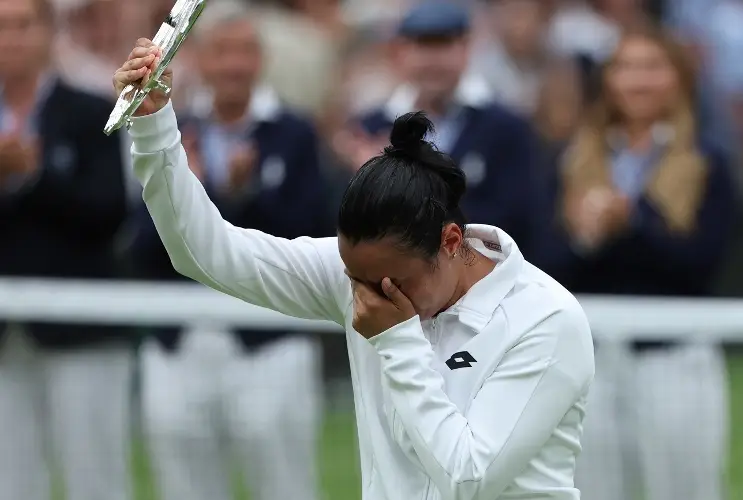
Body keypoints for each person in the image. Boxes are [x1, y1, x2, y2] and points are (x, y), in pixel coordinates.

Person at [114, 36, 595, 500]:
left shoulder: (546, 319)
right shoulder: (364, 276)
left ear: (450, 242)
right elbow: (205, 250)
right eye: (355, 276)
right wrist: (156, 127)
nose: (367, 297)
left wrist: (397, 340)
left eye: (391, 282)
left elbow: (466, 478)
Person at [132, 3, 325, 500]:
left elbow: (311, 232)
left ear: (261, 61)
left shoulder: (293, 132)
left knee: (284, 484)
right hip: (180, 338)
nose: (235, 66)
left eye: (246, 52)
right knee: (184, 485)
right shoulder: (167, 124)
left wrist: (241, 195)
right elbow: (139, 241)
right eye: (223, 52)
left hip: (268, 337)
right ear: (202, 59)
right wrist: (185, 183)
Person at [534, 26, 735, 500]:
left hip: (675, 353)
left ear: (679, 79)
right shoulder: (574, 160)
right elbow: (546, 267)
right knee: (590, 488)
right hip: (591, 356)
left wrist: (632, 223)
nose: (638, 81)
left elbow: (700, 266)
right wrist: (587, 238)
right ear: (607, 80)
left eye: (652, 67)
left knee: (687, 488)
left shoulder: (708, 161)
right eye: (625, 68)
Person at [0, 0, 131, 499]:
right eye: (1, 28)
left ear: (48, 33)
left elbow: (108, 214)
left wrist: (34, 175)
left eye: (21, 26)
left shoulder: (92, 110)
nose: (10, 38)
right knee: (10, 482)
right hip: (5, 339)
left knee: (94, 479)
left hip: (82, 333)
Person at [339, 1, 540, 252]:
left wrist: (394, 185)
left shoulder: (506, 129)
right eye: (423, 46)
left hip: (482, 281)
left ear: (466, 48)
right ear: (400, 52)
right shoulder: (370, 128)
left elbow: (514, 221)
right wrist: (368, 180)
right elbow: (345, 226)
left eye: (443, 45)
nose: (433, 61)